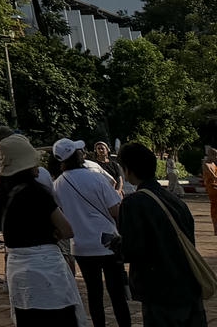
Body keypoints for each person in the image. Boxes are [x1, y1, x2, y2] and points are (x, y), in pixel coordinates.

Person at [0, 132, 86, 325]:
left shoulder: (1, 193)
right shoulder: (37, 192)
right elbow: (67, 230)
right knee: (58, 318)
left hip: (17, 269)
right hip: (45, 268)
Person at [119, 141, 210, 327]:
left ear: (127, 169)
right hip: (187, 284)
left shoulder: (134, 203)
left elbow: (132, 250)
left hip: (159, 289)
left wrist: (116, 245)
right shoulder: (175, 200)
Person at [55, 138, 131, 327]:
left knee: (94, 293)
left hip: (80, 246)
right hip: (108, 241)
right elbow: (116, 211)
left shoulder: (57, 184)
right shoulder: (96, 177)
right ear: (79, 155)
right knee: (117, 294)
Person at [203, 146, 217, 237]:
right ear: (210, 155)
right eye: (215, 155)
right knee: (215, 207)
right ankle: (215, 228)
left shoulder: (214, 164)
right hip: (212, 188)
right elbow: (214, 177)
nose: (216, 158)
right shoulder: (206, 164)